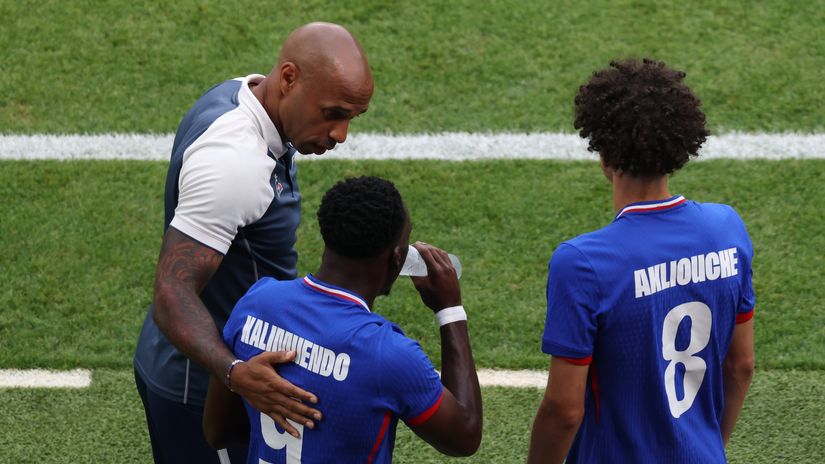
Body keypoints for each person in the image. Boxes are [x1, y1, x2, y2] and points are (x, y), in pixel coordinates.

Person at [133, 22, 374, 463]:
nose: (341, 135)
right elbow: (172, 293)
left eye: (351, 118)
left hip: (203, 368)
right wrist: (234, 373)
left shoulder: (242, 95)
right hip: (203, 387)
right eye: (333, 113)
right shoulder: (236, 163)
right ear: (288, 79)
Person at [528, 58, 755, 463]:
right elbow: (741, 366)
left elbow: (564, 411)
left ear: (604, 155)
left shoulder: (582, 264)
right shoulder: (728, 229)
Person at [203, 176, 483, 463]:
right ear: (398, 259)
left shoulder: (256, 303)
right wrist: (450, 311)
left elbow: (218, 431)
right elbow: (465, 434)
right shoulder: (388, 354)